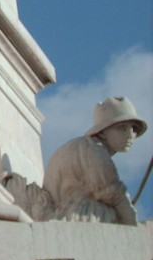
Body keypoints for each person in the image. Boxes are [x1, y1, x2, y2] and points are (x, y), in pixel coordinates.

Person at [42, 96, 147, 225]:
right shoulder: (94, 149)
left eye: (134, 129)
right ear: (102, 132)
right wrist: (133, 227)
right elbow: (113, 194)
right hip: (79, 216)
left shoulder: (83, 146)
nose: (130, 135)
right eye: (122, 127)